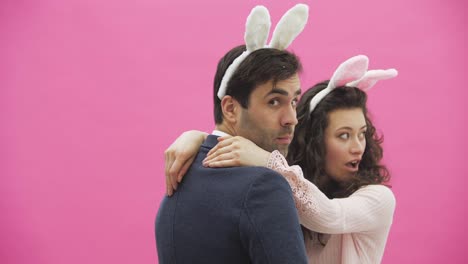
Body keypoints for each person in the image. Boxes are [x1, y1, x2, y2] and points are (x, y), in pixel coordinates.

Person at [165, 55, 397, 263]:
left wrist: (267, 160)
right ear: (314, 142)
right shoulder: (290, 185)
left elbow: (329, 216)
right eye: (343, 135)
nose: (358, 147)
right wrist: (201, 138)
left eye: (362, 134)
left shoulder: (378, 198)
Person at [156, 4, 310, 264]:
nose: (291, 119)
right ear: (230, 108)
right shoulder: (264, 186)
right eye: (274, 102)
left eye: (294, 101)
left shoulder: (181, 175)